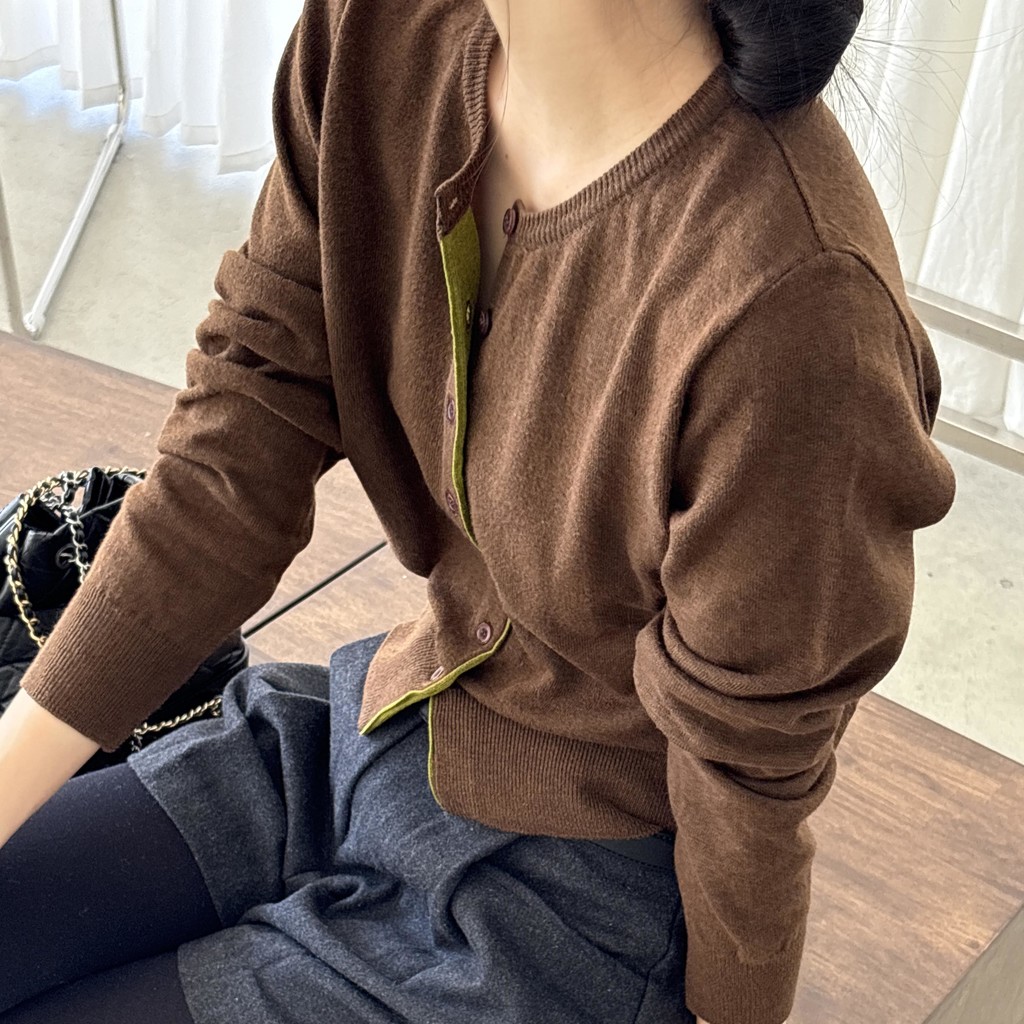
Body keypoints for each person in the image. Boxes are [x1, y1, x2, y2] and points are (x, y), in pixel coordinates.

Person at [0, 0, 957, 1022]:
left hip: (570, 914)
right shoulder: (376, 34)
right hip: (370, 732)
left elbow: (748, 766)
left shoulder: (799, 313)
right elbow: (232, 456)